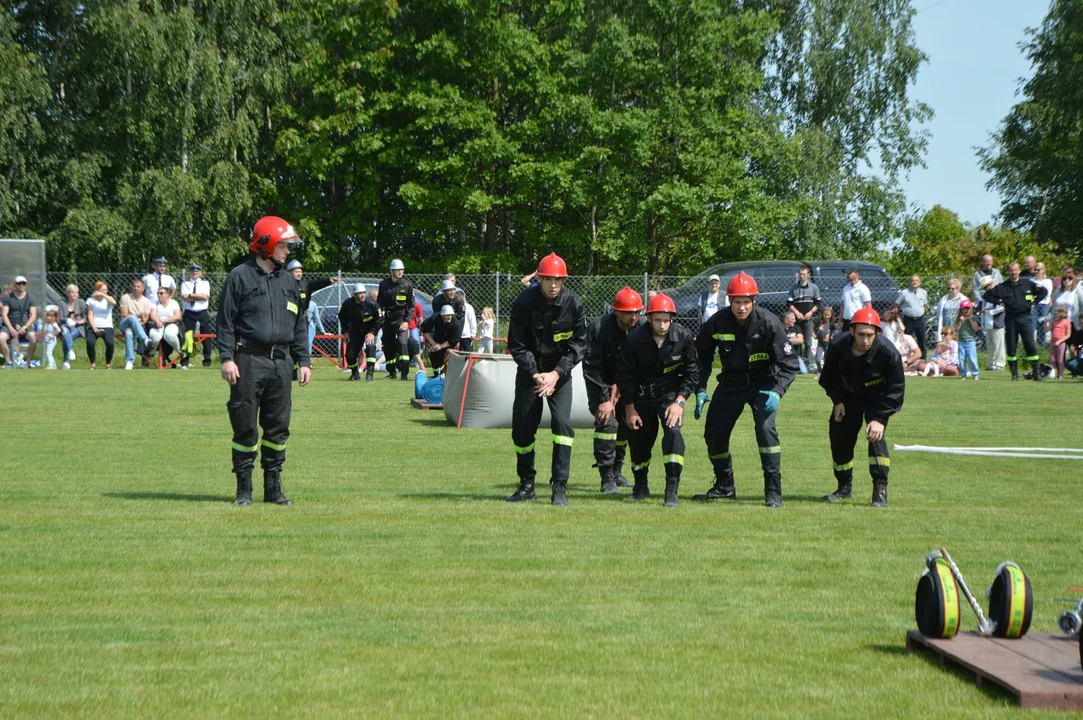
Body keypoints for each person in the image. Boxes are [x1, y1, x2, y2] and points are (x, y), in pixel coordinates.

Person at [216, 215, 310, 506]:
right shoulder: (239, 277)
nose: (287, 252)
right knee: (245, 425)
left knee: (278, 427)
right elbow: (225, 322)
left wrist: (303, 360)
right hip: (248, 360)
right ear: (266, 245)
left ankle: (274, 490)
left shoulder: (288, 281)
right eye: (283, 246)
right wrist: (227, 358)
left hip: (281, 364)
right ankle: (244, 490)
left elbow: (299, 324)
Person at [691, 272, 799, 508]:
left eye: (746, 302)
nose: (741, 307)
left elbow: (790, 363)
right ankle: (724, 487)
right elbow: (701, 357)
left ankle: (773, 493)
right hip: (731, 382)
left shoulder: (769, 322)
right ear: (729, 300)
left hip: (764, 383)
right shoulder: (717, 322)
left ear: (754, 301)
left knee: (765, 429)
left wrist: (777, 390)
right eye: (737, 302)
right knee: (714, 433)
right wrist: (699, 388)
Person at [506, 252, 587, 506]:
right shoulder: (523, 302)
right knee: (521, 429)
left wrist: (555, 375)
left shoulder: (574, 303)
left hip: (559, 373)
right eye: (549, 279)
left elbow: (579, 345)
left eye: (558, 280)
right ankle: (526, 484)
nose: (554, 284)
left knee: (562, 426)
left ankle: (559, 487)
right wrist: (535, 374)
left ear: (564, 281)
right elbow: (516, 344)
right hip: (531, 373)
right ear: (539, 279)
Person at [616, 293, 697, 507]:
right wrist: (630, 410)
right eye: (658, 319)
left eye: (666, 319)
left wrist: (680, 401)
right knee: (639, 443)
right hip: (640, 398)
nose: (662, 324)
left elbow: (692, 372)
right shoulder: (633, 340)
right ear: (649, 318)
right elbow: (624, 377)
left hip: (670, 396)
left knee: (673, 434)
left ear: (672, 319)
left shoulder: (684, 337)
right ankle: (640, 485)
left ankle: (672, 489)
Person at [818, 307, 904, 508]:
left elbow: (896, 390)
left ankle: (880, 491)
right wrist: (837, 401)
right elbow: (828, 378)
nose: (865, 340)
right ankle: (844, 488)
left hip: (878, 398)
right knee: (839, 438)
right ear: (852, 331)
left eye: (870, 335)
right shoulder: (838, 345)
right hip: (849, 396)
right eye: (861, 335)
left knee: (876, 438)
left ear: (877, 334)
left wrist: (880, 419)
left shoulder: (889, 353)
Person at [583, 287, 643, 495]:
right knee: (607, 423)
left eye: (637, 312)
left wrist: (624, 389)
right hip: (601, 383)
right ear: (616, 311)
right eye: (628, 312)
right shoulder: (598, 328)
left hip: (629, 383)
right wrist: (604, 399)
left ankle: (617, 470)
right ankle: (606, 478)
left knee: (627, 425)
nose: (634, 316)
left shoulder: (643, 327)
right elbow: (591, 367)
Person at [981, 261, 1047, 381]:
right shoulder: (1003, 286)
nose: (1013, 272)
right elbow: (987, 296)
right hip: (1011, 319)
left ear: (1019, 270)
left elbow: (1044, 291)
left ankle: (1036, 373)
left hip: (1026, 318)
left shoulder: (1027, 283)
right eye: (1011, 270)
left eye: (1015, 270)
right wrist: (999, 302)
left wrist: (1035, 302)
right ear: (1008, 272)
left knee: (1030, 346)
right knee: (1011, 347)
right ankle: (1014, 374)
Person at [377, 259, 414, 381]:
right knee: (388, 346)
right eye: (397, 270)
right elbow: (380, 302)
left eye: (401, 270)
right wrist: (381, 311)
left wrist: (406, 321)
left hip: (401, 318)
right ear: (391, 271)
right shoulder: (383, 285)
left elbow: (411, 306)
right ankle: (392, 372)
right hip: (388, 319)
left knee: (403, 343)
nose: (400, 272)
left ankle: (404, 373)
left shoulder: (407, 285)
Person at [338, 283, 381, 381]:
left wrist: (373, 332)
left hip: (370, 331)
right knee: (350, 354)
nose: (362, 295)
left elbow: (380, 319)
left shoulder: (372, 304)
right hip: (356, 331)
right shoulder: (347, 304)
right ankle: (355, 374)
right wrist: (345, 332)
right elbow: (342, 317)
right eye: (360, 293)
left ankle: (370, 374)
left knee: (370, 348)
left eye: (364, 293)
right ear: (354, 294)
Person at [787, 263, 820, 372]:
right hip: (796, 320)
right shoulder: (793, 288)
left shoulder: (814, 288)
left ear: (808, 275)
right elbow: (789, 303)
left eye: (804, 274)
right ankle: (798, 363)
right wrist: (796, 313)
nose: (802, 276)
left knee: (808, 342)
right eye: (800, 274)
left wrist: (810, 312)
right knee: (797, 341)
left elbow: (817, 303)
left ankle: (807, 365)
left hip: (808, 320)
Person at [180, 263, 214, 368]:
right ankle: (185, 361)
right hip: (189, 312)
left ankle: (207, 360)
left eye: (197, 271)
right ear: (190, 272)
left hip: (202, 312)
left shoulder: (205, 283)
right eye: (193, 271)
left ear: (200, 272)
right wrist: (197, 296)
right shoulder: (185, 284)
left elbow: (205, 297)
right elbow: (184, 298)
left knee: (206, 336)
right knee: (186, 336)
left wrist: (191, 295)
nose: (195, 273)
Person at [1, 275, 38, 368]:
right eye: (19, 283)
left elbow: (33, 316)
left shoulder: (31, 298)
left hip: (25, 325)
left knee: (33, 338)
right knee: (1, 339)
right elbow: (4, 314)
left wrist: (25, 327)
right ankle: (8, 361)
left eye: (23, 283)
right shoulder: (8, 298)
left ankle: (28, 362)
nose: (22, 285)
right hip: (10, 325)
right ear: (15, 285)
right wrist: (10, 328)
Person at [118, 279, 153, 371]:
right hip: (124, 324)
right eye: (134, 286)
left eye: (138, 287)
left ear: (143, 288)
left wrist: (134, 325)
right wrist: (138, 315)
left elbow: (144, 320)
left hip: (137, 328)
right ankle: (145, 339)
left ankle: (129, 361)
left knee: (129, 334)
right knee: (132, 318)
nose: (136, 288)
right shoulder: (125, 298)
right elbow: (125, 314)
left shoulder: (147, 302)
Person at [893, 275, 929, 360]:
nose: (915, 282)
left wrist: (920, 312)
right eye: (913, 280)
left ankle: (922, 362)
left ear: (919, 282)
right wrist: (897, 317)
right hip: (908, 320)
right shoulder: (904, 293)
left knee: (922, 341)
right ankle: (907, 360)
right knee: (906, 341)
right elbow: (896, 306)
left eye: (916, 281)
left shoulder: (924, 292)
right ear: (909, 282)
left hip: (920, 320)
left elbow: (925, 305)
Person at [420, 305, 463, 374]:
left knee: (446, 356)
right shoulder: (435, 318)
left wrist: (440, 346)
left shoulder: (456, 324)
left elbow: (454, 340)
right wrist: (433, 344)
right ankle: (436, 374)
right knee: (434, 356)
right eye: (447, 315)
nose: (449, 317)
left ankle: (445, 374)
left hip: (448, 342)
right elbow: (424, 329)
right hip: (438, 338)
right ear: (442, 315)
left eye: (451, 315)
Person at [85, 281, 117, 370]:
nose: (105, 291)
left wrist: (103, 295)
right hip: (94, 325)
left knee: (110, 343)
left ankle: (108, 363)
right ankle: (93, 363)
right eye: (103, 290)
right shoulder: (90, 300)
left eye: (106, 290)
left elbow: (114, 303)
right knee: (90, 342)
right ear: (97, 290)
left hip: (107, 326)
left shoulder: (108, 299)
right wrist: (94, 328)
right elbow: (90, 315)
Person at [147, 287, 183, 362]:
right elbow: (153, 315)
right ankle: (152, 351)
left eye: (161, 293)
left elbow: (177, 316)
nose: (159, 295)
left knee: (169, 334)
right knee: (155, 336)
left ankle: (179, 350)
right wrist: (157, 321)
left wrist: (165, 320)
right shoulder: (154, 303)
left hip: (172, 323)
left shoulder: (173, 303)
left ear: (167, 294)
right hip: (158, 323)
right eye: (158, 293)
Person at [978, 275, 1006, 370]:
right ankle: (991, 364)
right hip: (987, 323)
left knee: (998, 345)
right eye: (984, 287)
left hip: (997, 322)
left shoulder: (999, 293)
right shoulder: (986, 296)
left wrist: (986, 310)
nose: (985, 289)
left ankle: (1000, 364)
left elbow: (1002, 308)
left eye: (986, 286)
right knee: (990, 345)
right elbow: (981, 306)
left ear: (991, 284)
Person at [59, 284, 87, 367]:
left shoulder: (81, 302)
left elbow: (85, 317)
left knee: (66, 338)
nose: (75, 294)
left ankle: (66, 361)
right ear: (68, 293)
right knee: (65, 331)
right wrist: (68, 319)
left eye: (76, 292)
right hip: (66, 325)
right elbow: (60, 318)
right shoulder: (62, 302)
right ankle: (70, 350)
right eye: (72, 292)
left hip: (78, 326)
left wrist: (80, 321)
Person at [954, 299, 981, 380]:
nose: (966, 310)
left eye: (968, 308)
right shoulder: (959, 318)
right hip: (961, 341)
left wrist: (970, 319)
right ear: (961, 309)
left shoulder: (973, 318)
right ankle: (963, 374)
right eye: (964, 308)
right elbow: (957, 330)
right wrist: (961, 322)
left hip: (970, 341)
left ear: (970, 309)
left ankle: (975, 374)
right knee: (962, 359)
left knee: (972, 358)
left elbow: (976, 329)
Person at [840, 267, 871, 331]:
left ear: (856, 274)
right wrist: (840, 320)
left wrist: (867, 321)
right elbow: (842, 305)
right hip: (846, 321)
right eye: (846, 274)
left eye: (849, 273)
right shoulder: (845, 288)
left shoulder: (863, 288)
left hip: (858, 320)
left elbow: (868, 306)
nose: (847, 275)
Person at [1033, 262, 1053, 347]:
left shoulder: (1048, 281)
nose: (1037, 271)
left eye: (1039, 270)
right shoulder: (1031, 281)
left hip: (1044, 304)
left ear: (1043, 270)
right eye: (1035, 270)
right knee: (1032, 324)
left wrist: (1037, 295)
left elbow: (1047, 293)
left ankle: (1041, 345)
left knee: (1042, 325)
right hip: (1034, 305)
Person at [814, 306, 838, 374]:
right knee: (818, 359)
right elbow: (812, 327)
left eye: (828, 315)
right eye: (825, 315)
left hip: (828, 344)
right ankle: (820, 371)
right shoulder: (819, 322)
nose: (827, 316)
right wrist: (814, 335)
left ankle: (826, 372)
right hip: (820, 343)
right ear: (822, 314)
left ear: (831, 315)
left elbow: (835, 332)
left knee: (826, 359)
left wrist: (833, 337)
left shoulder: (832, 324)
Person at [1051, 305, 1071, 379]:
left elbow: (1068, 335)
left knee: (1060, 359)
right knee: (1052, 359)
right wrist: (1046, 322)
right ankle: (1052, 374)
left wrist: (1059, 341)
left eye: (1058, 312)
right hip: (1053, 341)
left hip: (1061, 342)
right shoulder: (1054, 322)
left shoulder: (1066, 322)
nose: (1056, 314)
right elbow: (1048, 329)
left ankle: (1060, 374)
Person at [42, 305, 61, 369]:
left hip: (51, 340)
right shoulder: (47, 323)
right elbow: (44, 331)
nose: (48, 317)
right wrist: (46, 324)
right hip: (47, 339)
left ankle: (50, 366)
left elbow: (58, 330)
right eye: (47, 316)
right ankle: (54, 366)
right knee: (49, 353)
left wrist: (53, 335)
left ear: (54, 317)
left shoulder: (54, 324)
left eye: (50, 316)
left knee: (48, 353)